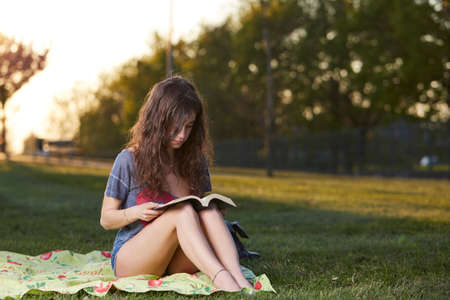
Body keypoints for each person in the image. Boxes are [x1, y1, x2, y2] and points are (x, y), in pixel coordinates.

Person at [100, 76, 253, 292]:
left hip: (179, 256)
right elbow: (106, 219)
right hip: (134, 258)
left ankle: (237, 277)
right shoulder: (128, 159)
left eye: (189, 126)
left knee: (208, 210)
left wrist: (215, 213)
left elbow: (200, 210)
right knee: (180, 212)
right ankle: (221, 279)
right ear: (159, 119)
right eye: (176, 127)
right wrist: (136, 212)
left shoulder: (195, 160)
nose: (182, 135)